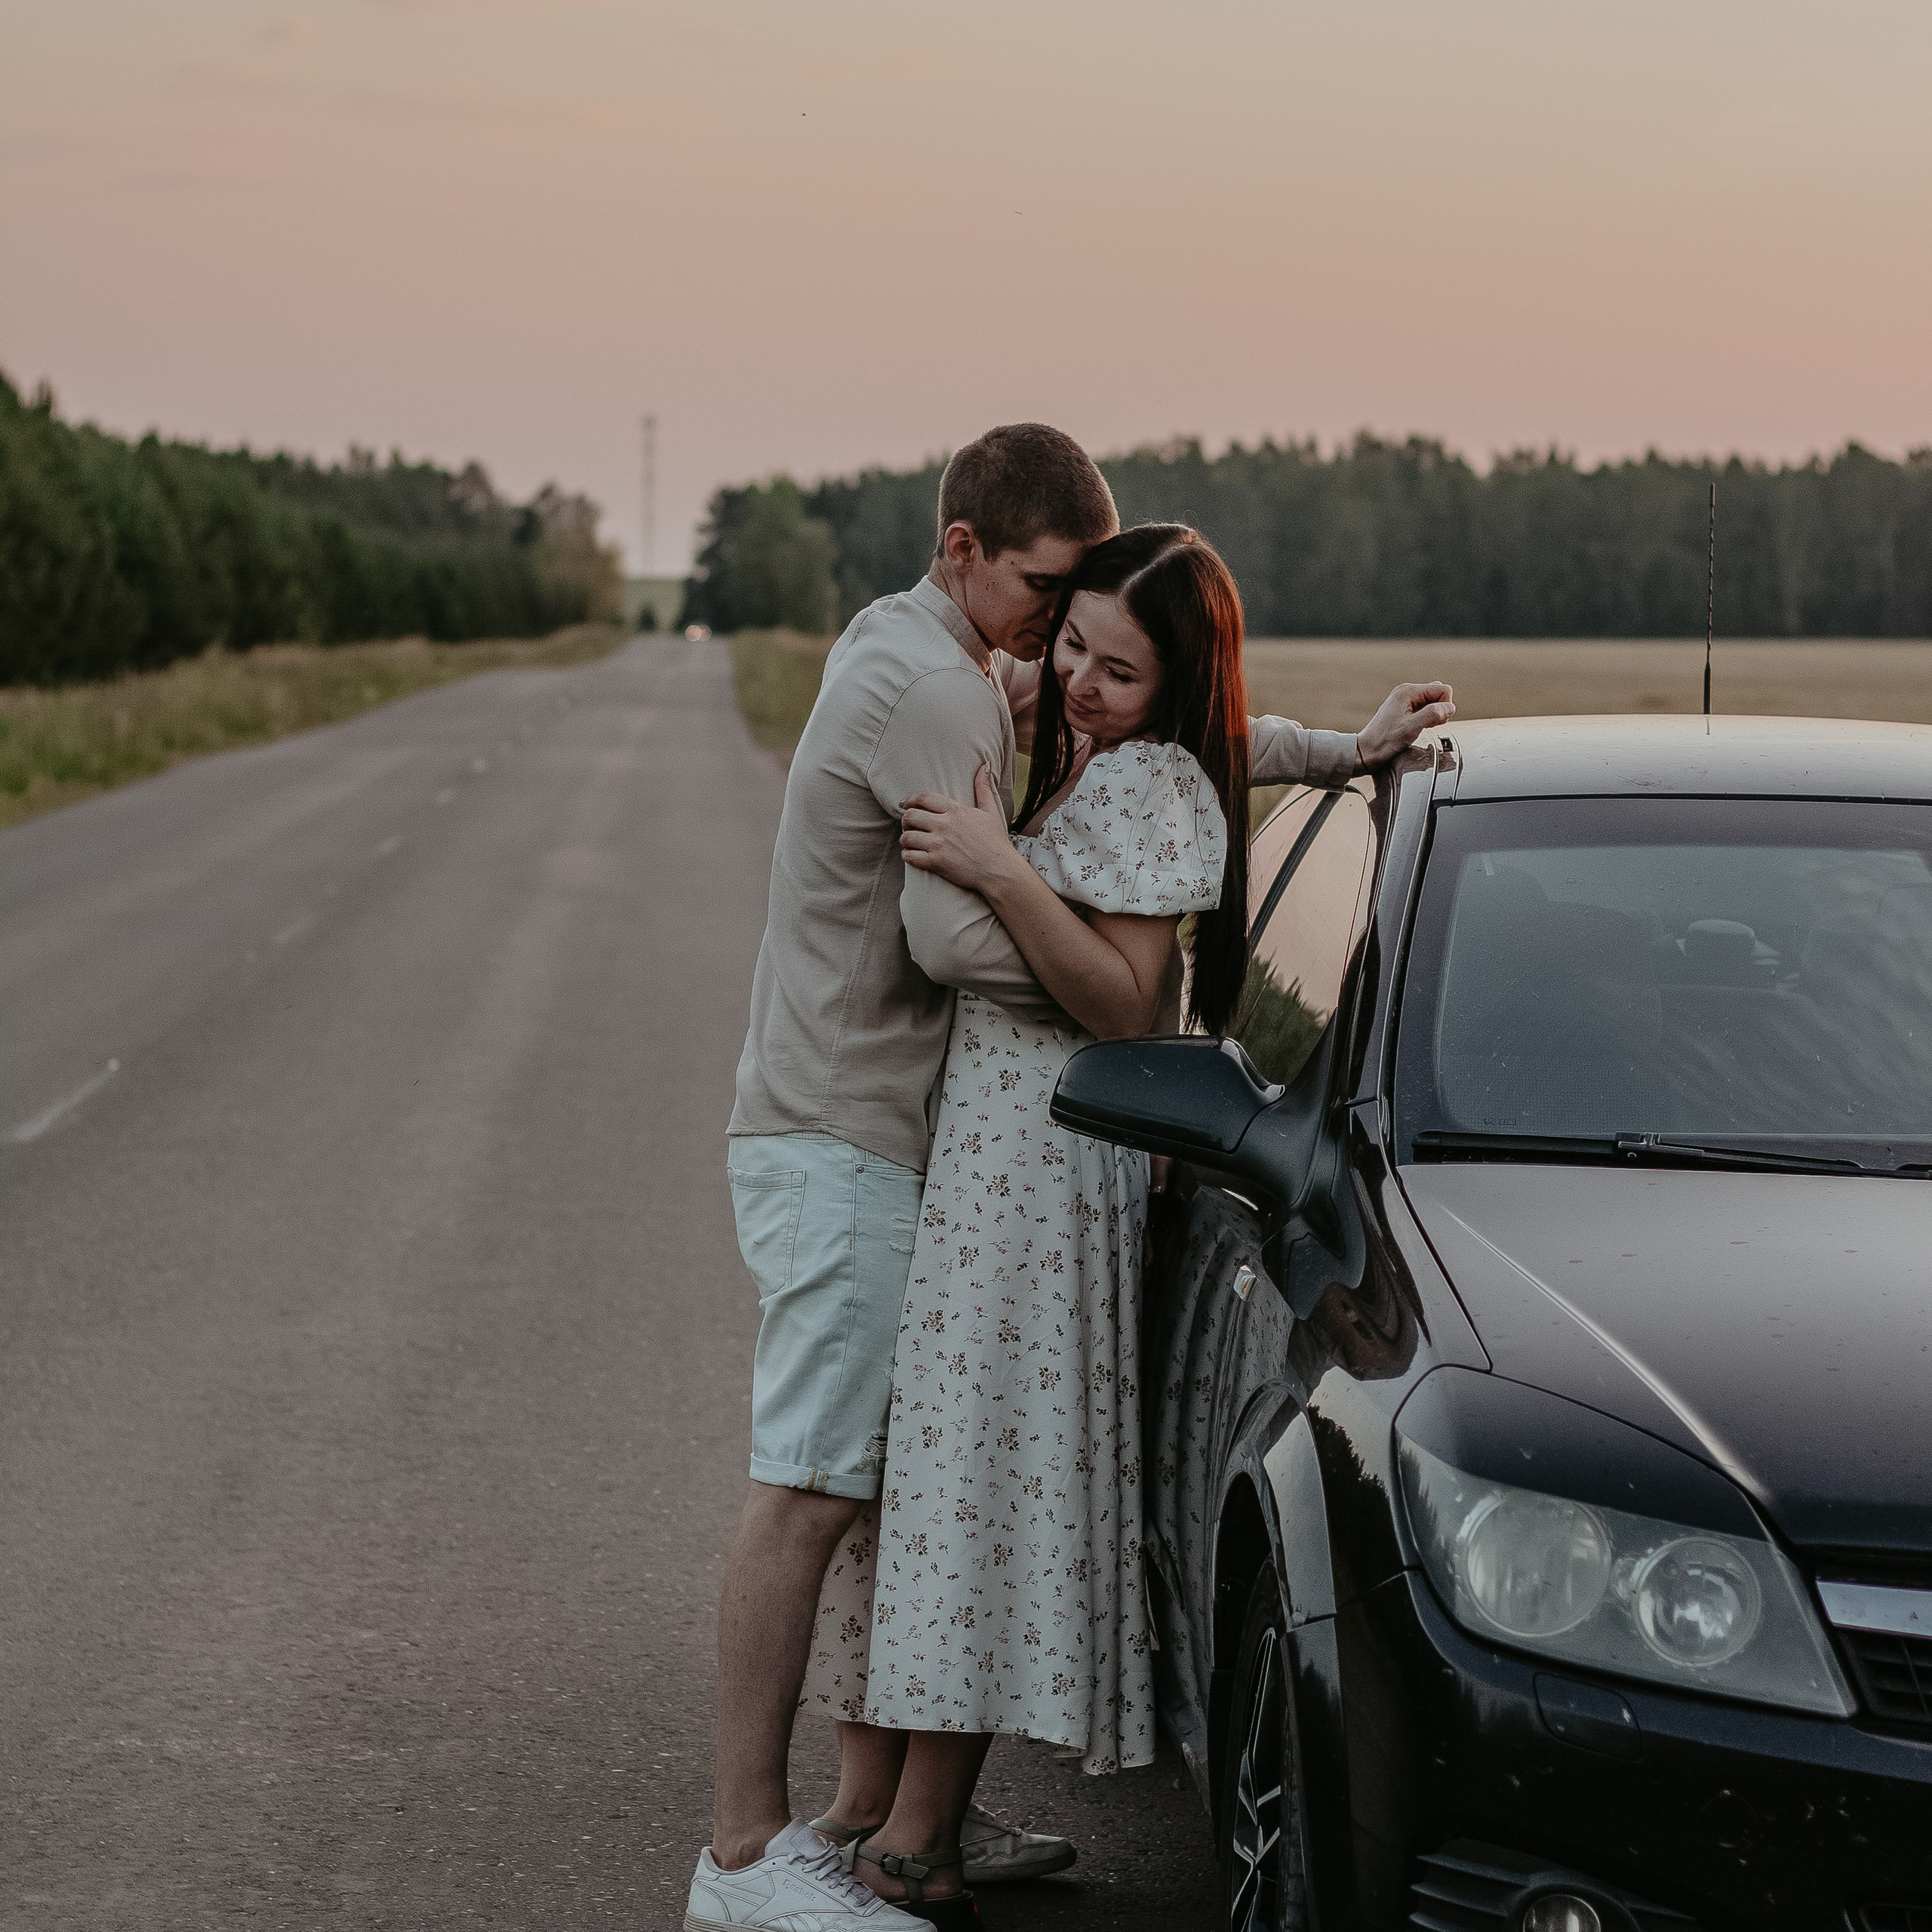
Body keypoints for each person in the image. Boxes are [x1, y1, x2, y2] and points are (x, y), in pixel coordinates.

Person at [687, 426, 1451, 1932]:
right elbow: (948, 942)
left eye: (1090, 633)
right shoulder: (934, 685)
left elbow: (1185, 749)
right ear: (963, 547)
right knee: (819, 1488)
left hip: (936, 1151)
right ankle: (746, 1854)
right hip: (851, 1135)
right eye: (1046, 601)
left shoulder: (956, 653)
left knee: (911, 1482)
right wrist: (1014, 874)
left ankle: (903, 1818)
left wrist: (1323, 751)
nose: (1055, 652)